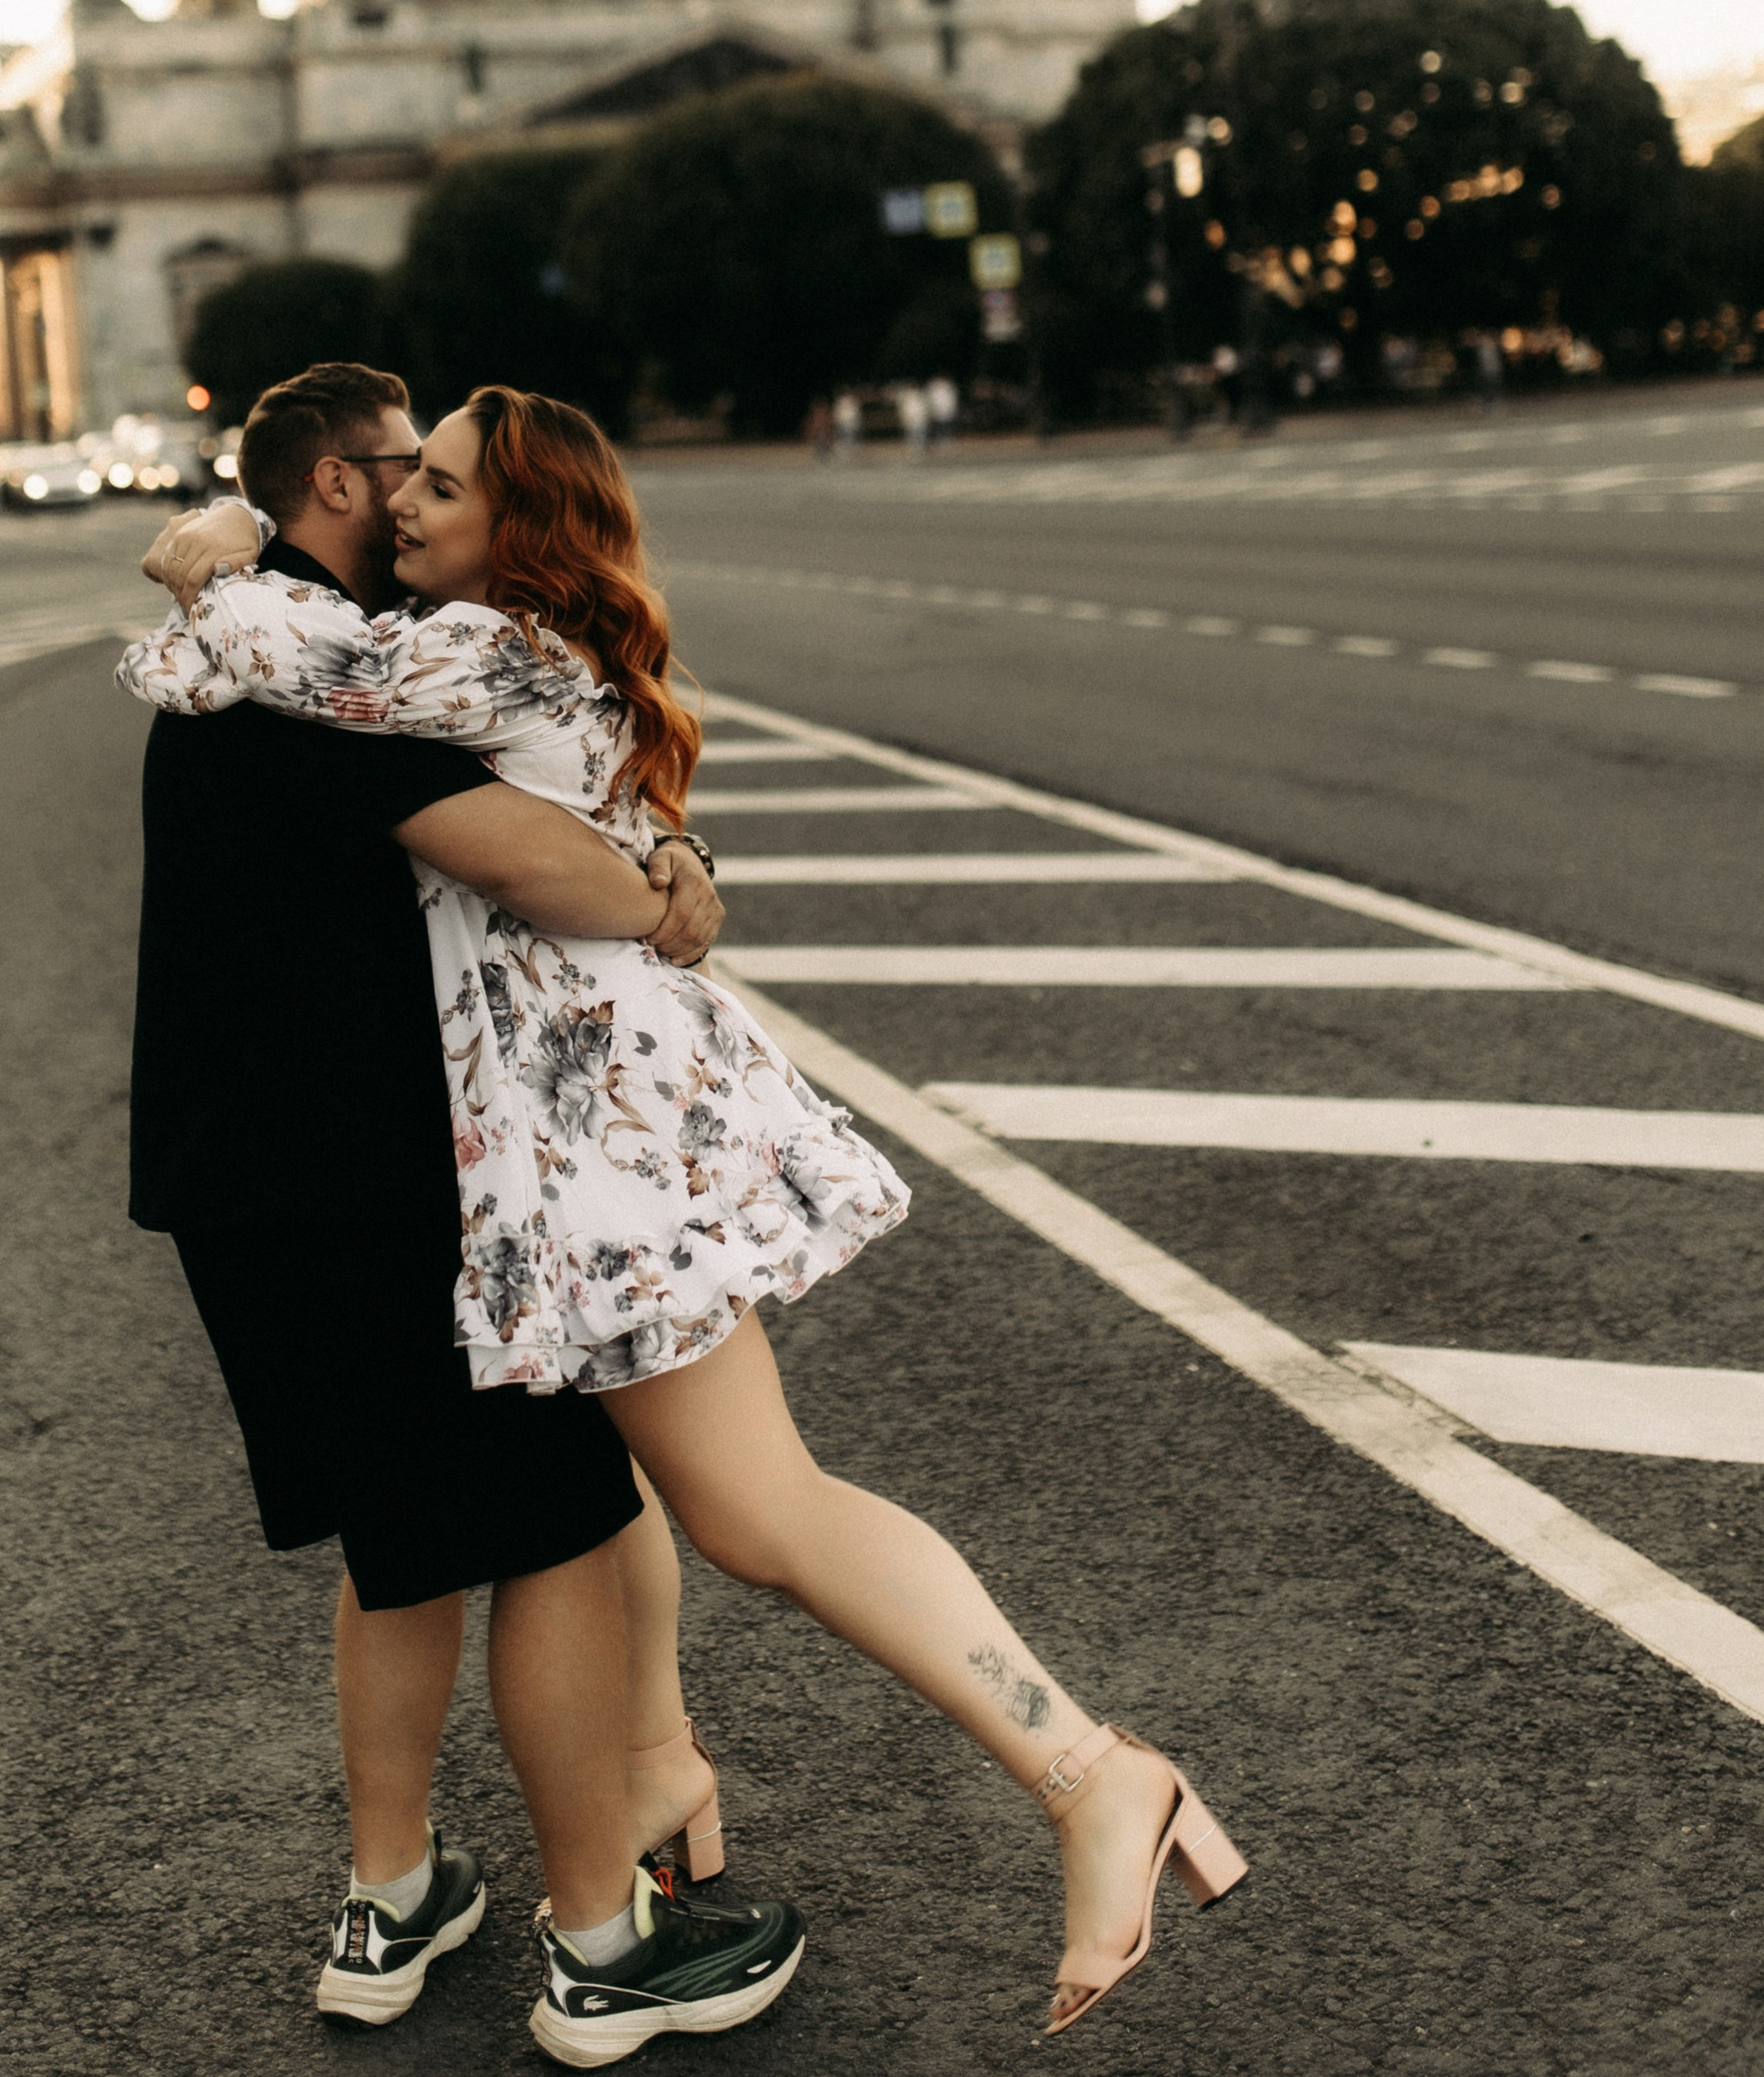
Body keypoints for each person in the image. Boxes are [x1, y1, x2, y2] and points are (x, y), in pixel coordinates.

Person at [134, 388, 1247, 2043]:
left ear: (517, 533)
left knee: (753, 1509)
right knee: (614, 1492)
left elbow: (277, 670)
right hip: (557, 1140)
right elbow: (536, 777)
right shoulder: (482, 649)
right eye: (409, 476)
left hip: (587, 1139)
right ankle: (659, 1779)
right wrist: (663, 850)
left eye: (445, 485)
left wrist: (218, 552)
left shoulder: (470, 652)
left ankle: (1089, 1774)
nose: (416, 506)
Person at [127, 362, 804, 2056]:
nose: (422, 494)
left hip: (238, 1184)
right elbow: (536, 858)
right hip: (373, 1191)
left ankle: (393, 1894)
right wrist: (667, 890)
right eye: (405, 467)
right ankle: (601, 1948)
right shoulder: (333, 683)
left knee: (403, 1537)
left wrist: (670, 845)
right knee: (559, 1525)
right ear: (339, 485)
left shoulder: (242, 658)